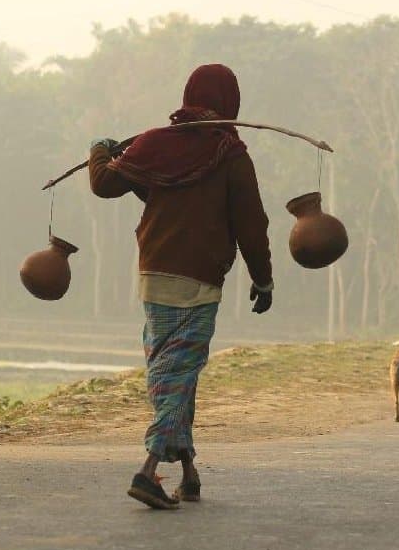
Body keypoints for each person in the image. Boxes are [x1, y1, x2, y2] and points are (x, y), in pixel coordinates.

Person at [88, 63, 274, 510]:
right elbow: (252, 225)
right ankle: (149, 470)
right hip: (200, 283)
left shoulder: (155, 146)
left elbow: (103, 183)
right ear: (230, 105)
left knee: (172, 374)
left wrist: (101, 150)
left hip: (154, 276)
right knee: (178, 374)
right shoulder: (231, 157)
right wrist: (262, 278)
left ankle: (189, 475)